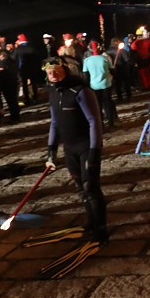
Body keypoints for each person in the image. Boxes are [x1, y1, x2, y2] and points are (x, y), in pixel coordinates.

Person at [44, 56, 108, 243]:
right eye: (49, 73)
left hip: (86, 146)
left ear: (65, 70)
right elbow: (55, 123)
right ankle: (92, 221)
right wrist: (51, 150)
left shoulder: (80, 91)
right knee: (80, 188)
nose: (53, 75)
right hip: (69, 148)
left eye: (56, 71)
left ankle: (102, 229)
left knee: (91, 188)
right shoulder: (54, 92)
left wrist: (95, 150)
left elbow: (94, 121)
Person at [83, 41, 116, 128]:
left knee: (98, 105)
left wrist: (86, 87)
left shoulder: (86, 61)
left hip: (94, 86)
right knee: (107, 103)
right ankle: (111, 122)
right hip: (106, 84)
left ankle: (100, 123)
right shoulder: (105, 58)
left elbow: (86, 76)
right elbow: (112, 71)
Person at [13, 34, 41, 105]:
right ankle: (35, 98)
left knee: (25, 85)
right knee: (34, 84)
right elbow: (38, 57)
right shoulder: (32, 47)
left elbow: (12, 58)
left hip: (23, 69)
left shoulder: (18, 49)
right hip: (32, 68)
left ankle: (27, 100)